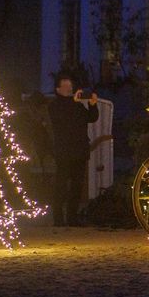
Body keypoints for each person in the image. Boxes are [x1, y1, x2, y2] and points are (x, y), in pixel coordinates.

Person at [47, 74, 98, 227]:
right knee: (61, 185)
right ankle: (58, 218)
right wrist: (72, 101)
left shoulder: (76, 105)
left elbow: (91, 118)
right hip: (64, 151)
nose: (69, 90)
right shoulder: (55, 106)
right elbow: (62, 120)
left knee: (77, 185)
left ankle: (72, 217)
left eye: (70, 87)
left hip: (79, 150)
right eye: (66, 87)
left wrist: (93, 104)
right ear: (58, 89)